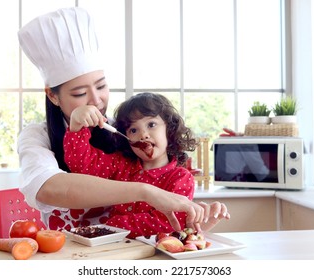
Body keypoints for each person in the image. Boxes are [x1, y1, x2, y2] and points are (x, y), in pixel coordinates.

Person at [17, 7, 229, 234]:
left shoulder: (121, 130)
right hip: (68, 248)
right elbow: (51, 187)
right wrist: (144, 191)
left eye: (101, 86)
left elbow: (171, 225)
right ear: (52, 95)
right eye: (80, 93)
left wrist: (196, 224)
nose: (96, 100)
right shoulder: (37, 135)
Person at [60, 92, 208, 238]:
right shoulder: (120, 165)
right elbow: (82, 164)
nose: (143, 135)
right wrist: (76, 125)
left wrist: (113, 225)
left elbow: (168, 222)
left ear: (169, 129)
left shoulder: (180, 178)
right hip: (115, 248)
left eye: (151, 124)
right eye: (133, 130)